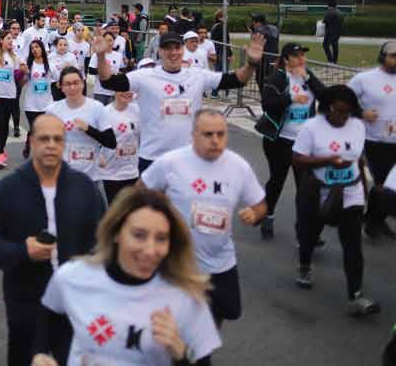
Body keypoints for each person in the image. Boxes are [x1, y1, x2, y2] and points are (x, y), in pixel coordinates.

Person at [32, 186, 221, 365]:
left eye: (161, 238)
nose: (150, 250)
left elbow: (202, 361)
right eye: (139, 235)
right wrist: (39, 354)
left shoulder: (186, 296)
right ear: (116, 233)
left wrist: (181, 353)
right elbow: (48, 317)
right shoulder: (73, 276)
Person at [0, 113, 105, 366]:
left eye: (58, 139)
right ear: (31, 141)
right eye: (44, 139)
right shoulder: (8, 188)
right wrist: (22, 251)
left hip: (76, 303)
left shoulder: (84, 187)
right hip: (27, 302)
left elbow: (104, 240)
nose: (51, 145)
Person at [140, 109, 266, 327]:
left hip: (220, 262)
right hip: (178, 263)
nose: (215, 140)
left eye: (221, 134)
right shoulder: (171, 162)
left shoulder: (238, 167)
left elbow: (261, 205)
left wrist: (255, 214)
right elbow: (139, 193)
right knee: (179, 328)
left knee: (224, 315)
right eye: (208, 134)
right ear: (193, 134)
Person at [95, 30, 266, 171]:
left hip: (189, 158)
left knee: (184, 211)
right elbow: (109, 81)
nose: (173, 52)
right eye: (167, 48)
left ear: (183, 50)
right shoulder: (144, 76)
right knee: (154, 212)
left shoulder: (197, 75)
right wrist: (101, 56)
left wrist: (251, 64)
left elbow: (236, 80)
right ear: (160, 51)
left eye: (177, 47)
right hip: (152, 159)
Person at [292, 84, 380, 315]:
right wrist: (326, 161)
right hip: (318, 190)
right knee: (309, 234)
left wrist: (363, 187)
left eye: (348, 112)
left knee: (352, 243)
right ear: (328, 107)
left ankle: (356, 296)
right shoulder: (312, 127)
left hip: (350, 191)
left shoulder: (358, 126)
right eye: (339, 111)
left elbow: (358, 160)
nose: (343, 116)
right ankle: (304, 265)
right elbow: (298, 160)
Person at [255, 43, 327, 239]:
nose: (301, 59)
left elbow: (326, 97)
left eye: (303, 55)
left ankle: (304, 229)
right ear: (286, 59)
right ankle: (268, 215)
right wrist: (291, 98)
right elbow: (268, 104)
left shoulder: (308, 76)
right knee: (277, 181)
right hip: (280, 141)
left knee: (305, 188)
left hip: (304, 143)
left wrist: (308, 78)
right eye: (296, 56)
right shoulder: (277, 78)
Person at [349, 41, 396, 238]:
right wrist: (362, 113)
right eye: (393, 55)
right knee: (383, 184)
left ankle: (374, 218)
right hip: (374, 140)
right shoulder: (364, 79)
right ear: (382, 56)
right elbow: (343, 101)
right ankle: (373, 222)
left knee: (390, 186)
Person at [98, 89, 140, 203]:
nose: (126, 92)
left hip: (132, 171)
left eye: (130, 90)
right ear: (114, 91)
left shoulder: (138, 110)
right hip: (111, 173)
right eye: (122, 89)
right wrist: (98, 156)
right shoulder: (104, 113)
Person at [0, 31, 22, 170]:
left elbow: (17, 77)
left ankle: (2, 148)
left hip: (10, 95)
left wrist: (22, 71)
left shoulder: (15, 58)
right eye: (8, 38)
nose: (11, 41)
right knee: (0, 122)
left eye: (11, 39)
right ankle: (0, 153)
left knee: (4, 127)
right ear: (1, 40)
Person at [20, 40, 55, 159]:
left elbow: (58, 79)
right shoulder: (29, 64)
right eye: (32, 48)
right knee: (34, 129)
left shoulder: (50, 64)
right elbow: (21, 83)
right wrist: (25, 74)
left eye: (37, 47)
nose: (34, 49)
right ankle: (29, 144)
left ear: (42, 48)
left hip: (47, 103)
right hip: (31, 104)